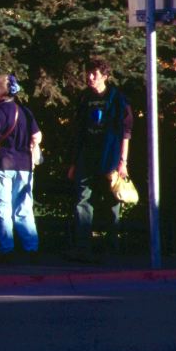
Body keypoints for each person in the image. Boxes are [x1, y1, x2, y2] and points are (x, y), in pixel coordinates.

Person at [66, 56, 132, 261]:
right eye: (88, 72)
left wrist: (123, 162)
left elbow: (126, 132)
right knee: (82, 199)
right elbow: (78, 131)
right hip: (87, 154)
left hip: (109, 154)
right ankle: (82, 247)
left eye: (95, 73)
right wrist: (74, 162)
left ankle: (112, 247)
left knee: (111, 200)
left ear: (105, 76)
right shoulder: (84, 98)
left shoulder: (117, 99)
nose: (90, 77)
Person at [0, 74, 42, 262]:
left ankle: (6, 248)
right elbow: (37, 136)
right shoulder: (25, 111)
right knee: (24, 208)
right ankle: (31, 249)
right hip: (24, 166)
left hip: (1, 166)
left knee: (2, 208)